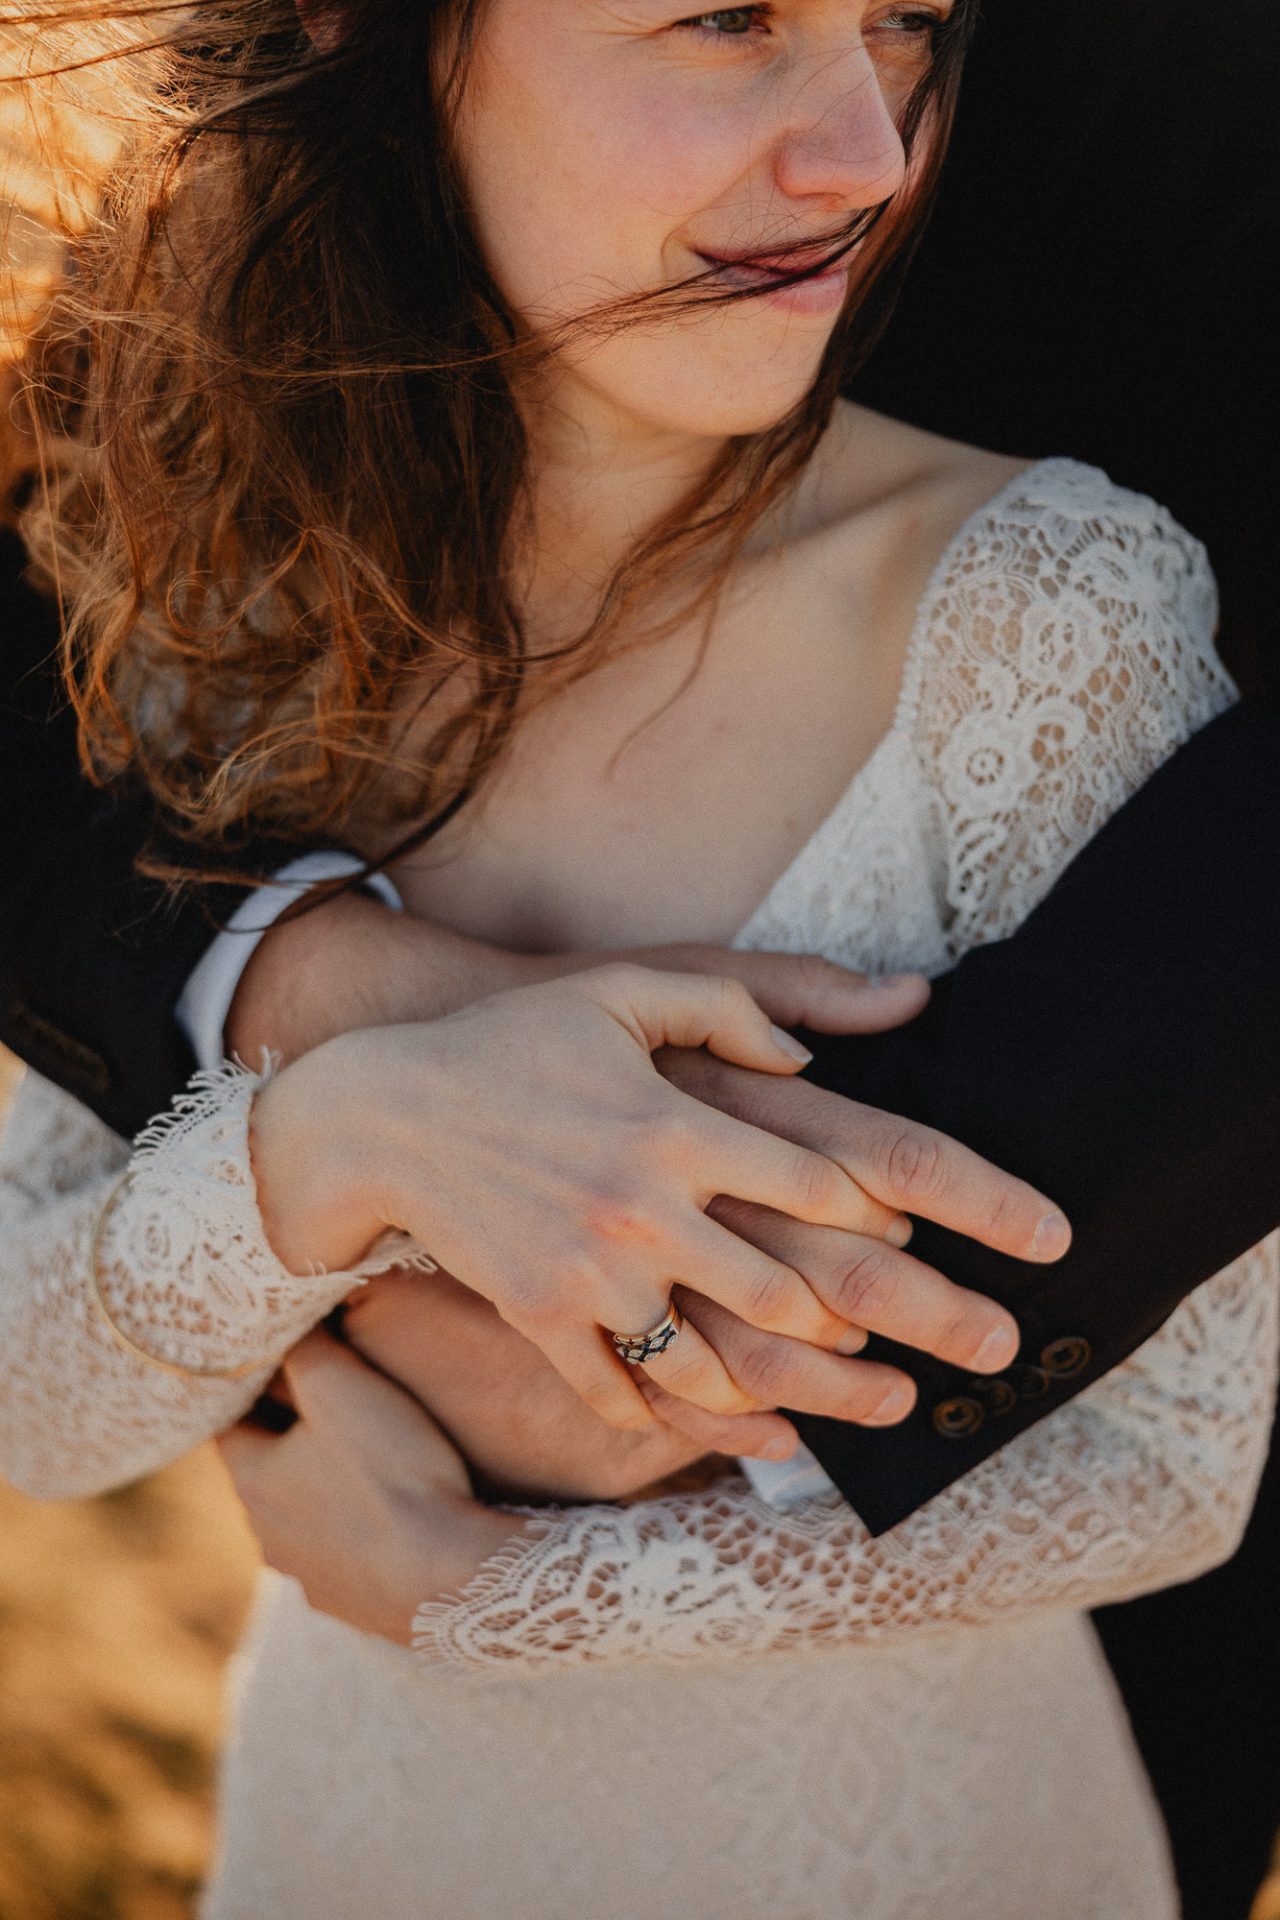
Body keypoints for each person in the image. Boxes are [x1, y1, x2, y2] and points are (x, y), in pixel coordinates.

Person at [1, 4, 1277, 1917]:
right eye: (725, 16)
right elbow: (36, 1395)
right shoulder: (206, 613)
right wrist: (334, 1138)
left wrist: (497, 1600)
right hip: (364, 1829)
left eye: (906, 24)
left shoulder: (1050, 612)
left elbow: (1182, 1469)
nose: (873, 152)